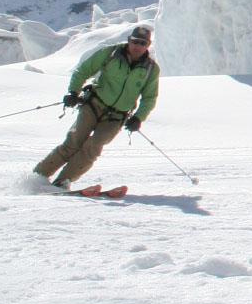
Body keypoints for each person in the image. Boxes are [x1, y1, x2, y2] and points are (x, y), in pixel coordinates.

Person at [33, 24, 160, 187]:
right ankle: (39, 177)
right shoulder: (111, 53)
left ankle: (63, 181)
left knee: (94, 146)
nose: (138, 46)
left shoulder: (151, 69)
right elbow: (83, 71)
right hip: (93, 105)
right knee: (73, 143)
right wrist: (73, 92)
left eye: (143, 43)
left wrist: (138, 117)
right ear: (129, 40)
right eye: (135, 41)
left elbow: (150, 97)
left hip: (116, 117)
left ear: (148, 45)